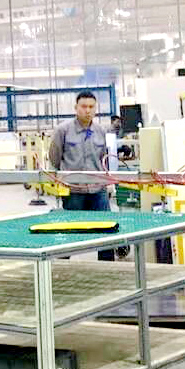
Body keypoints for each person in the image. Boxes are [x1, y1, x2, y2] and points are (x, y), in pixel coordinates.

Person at [48, 90, 115, 262]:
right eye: (84, 106)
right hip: (74, 191)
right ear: (76, 108)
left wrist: (108, 184)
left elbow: (104, 159)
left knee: (107, 231)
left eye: (91, 107)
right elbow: (54, 158)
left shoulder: (101, 131)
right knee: (70, 231)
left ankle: (109, 268)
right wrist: (61, 181)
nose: (88, 110)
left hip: (98, 190)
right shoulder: (63, 130)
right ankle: (61, 267)